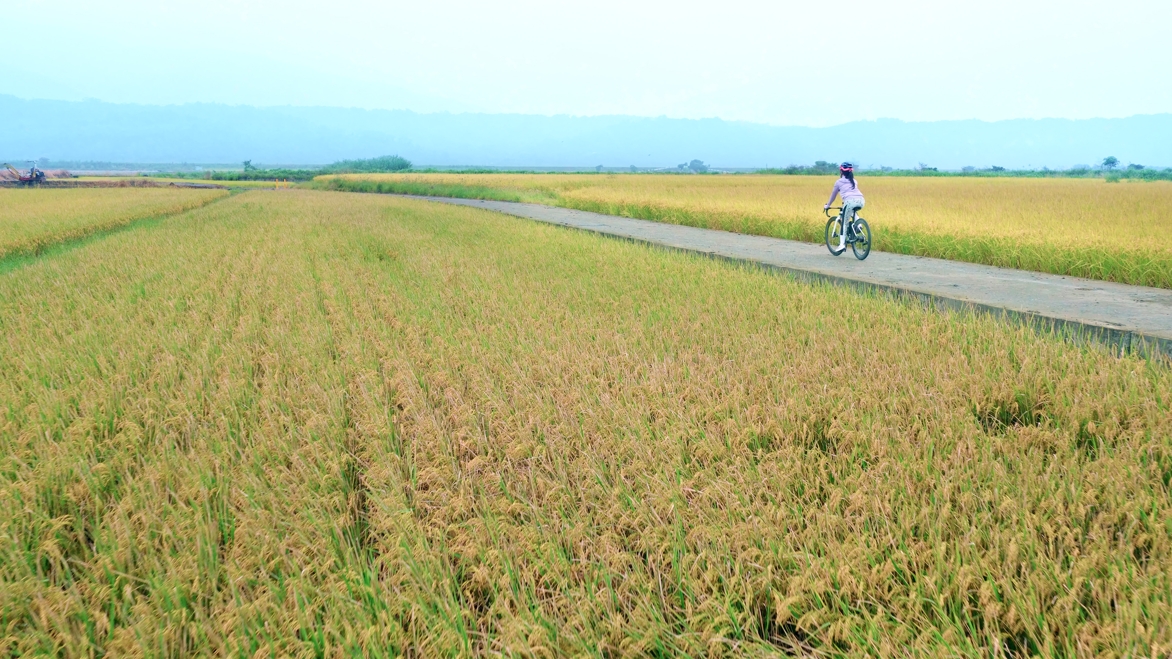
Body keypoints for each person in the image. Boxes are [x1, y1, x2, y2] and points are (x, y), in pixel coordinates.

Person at [824, 162, 864, 231]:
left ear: (841, 171)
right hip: (861, 200)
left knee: (844, 225)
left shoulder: (838, 182)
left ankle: (842, 242)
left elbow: (833, 196)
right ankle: (859, 225)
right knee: (852, 211)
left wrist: (828, 205)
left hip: (849, 201)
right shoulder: (854, 181)